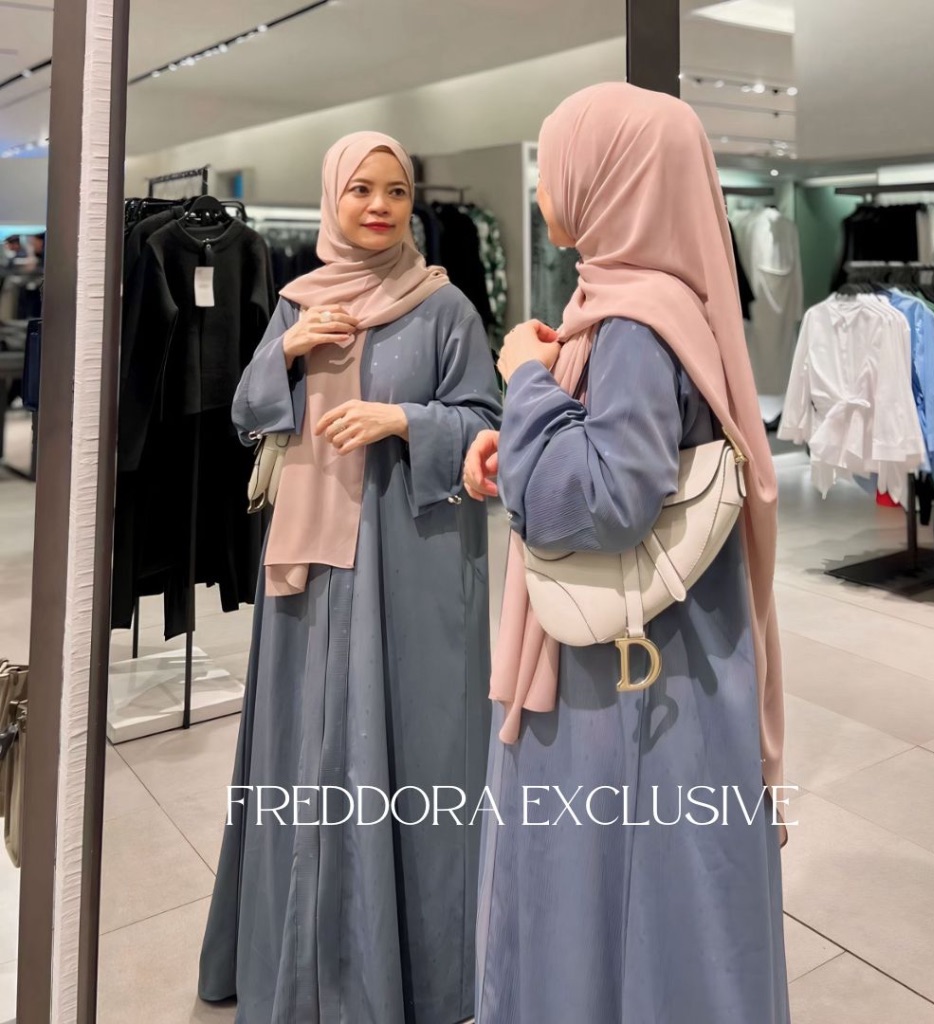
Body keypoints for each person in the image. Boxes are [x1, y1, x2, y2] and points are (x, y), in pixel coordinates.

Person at [464, 83, 791, 1023]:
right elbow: (621, 456)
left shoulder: (636, 319)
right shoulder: (646, 300)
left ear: (608, 178)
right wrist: (516, 444)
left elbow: (608, 500)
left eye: (557, 164)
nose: (544, 187)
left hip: (624, 681)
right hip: (667, 659)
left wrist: (524, 382)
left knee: (609, 904)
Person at [199, 131, 502, 1024]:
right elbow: (247, 415)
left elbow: (486, 421)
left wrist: (402, 419)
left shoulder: (444, 308)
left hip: (407, 554)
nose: (379, 206)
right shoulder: (300, 300)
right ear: (333, 198)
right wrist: (287, 353)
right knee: (304, 744)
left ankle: (420, 976)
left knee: (411, 736)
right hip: (309, 563)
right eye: (361, 189)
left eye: (396, 190)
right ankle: (297, 965)